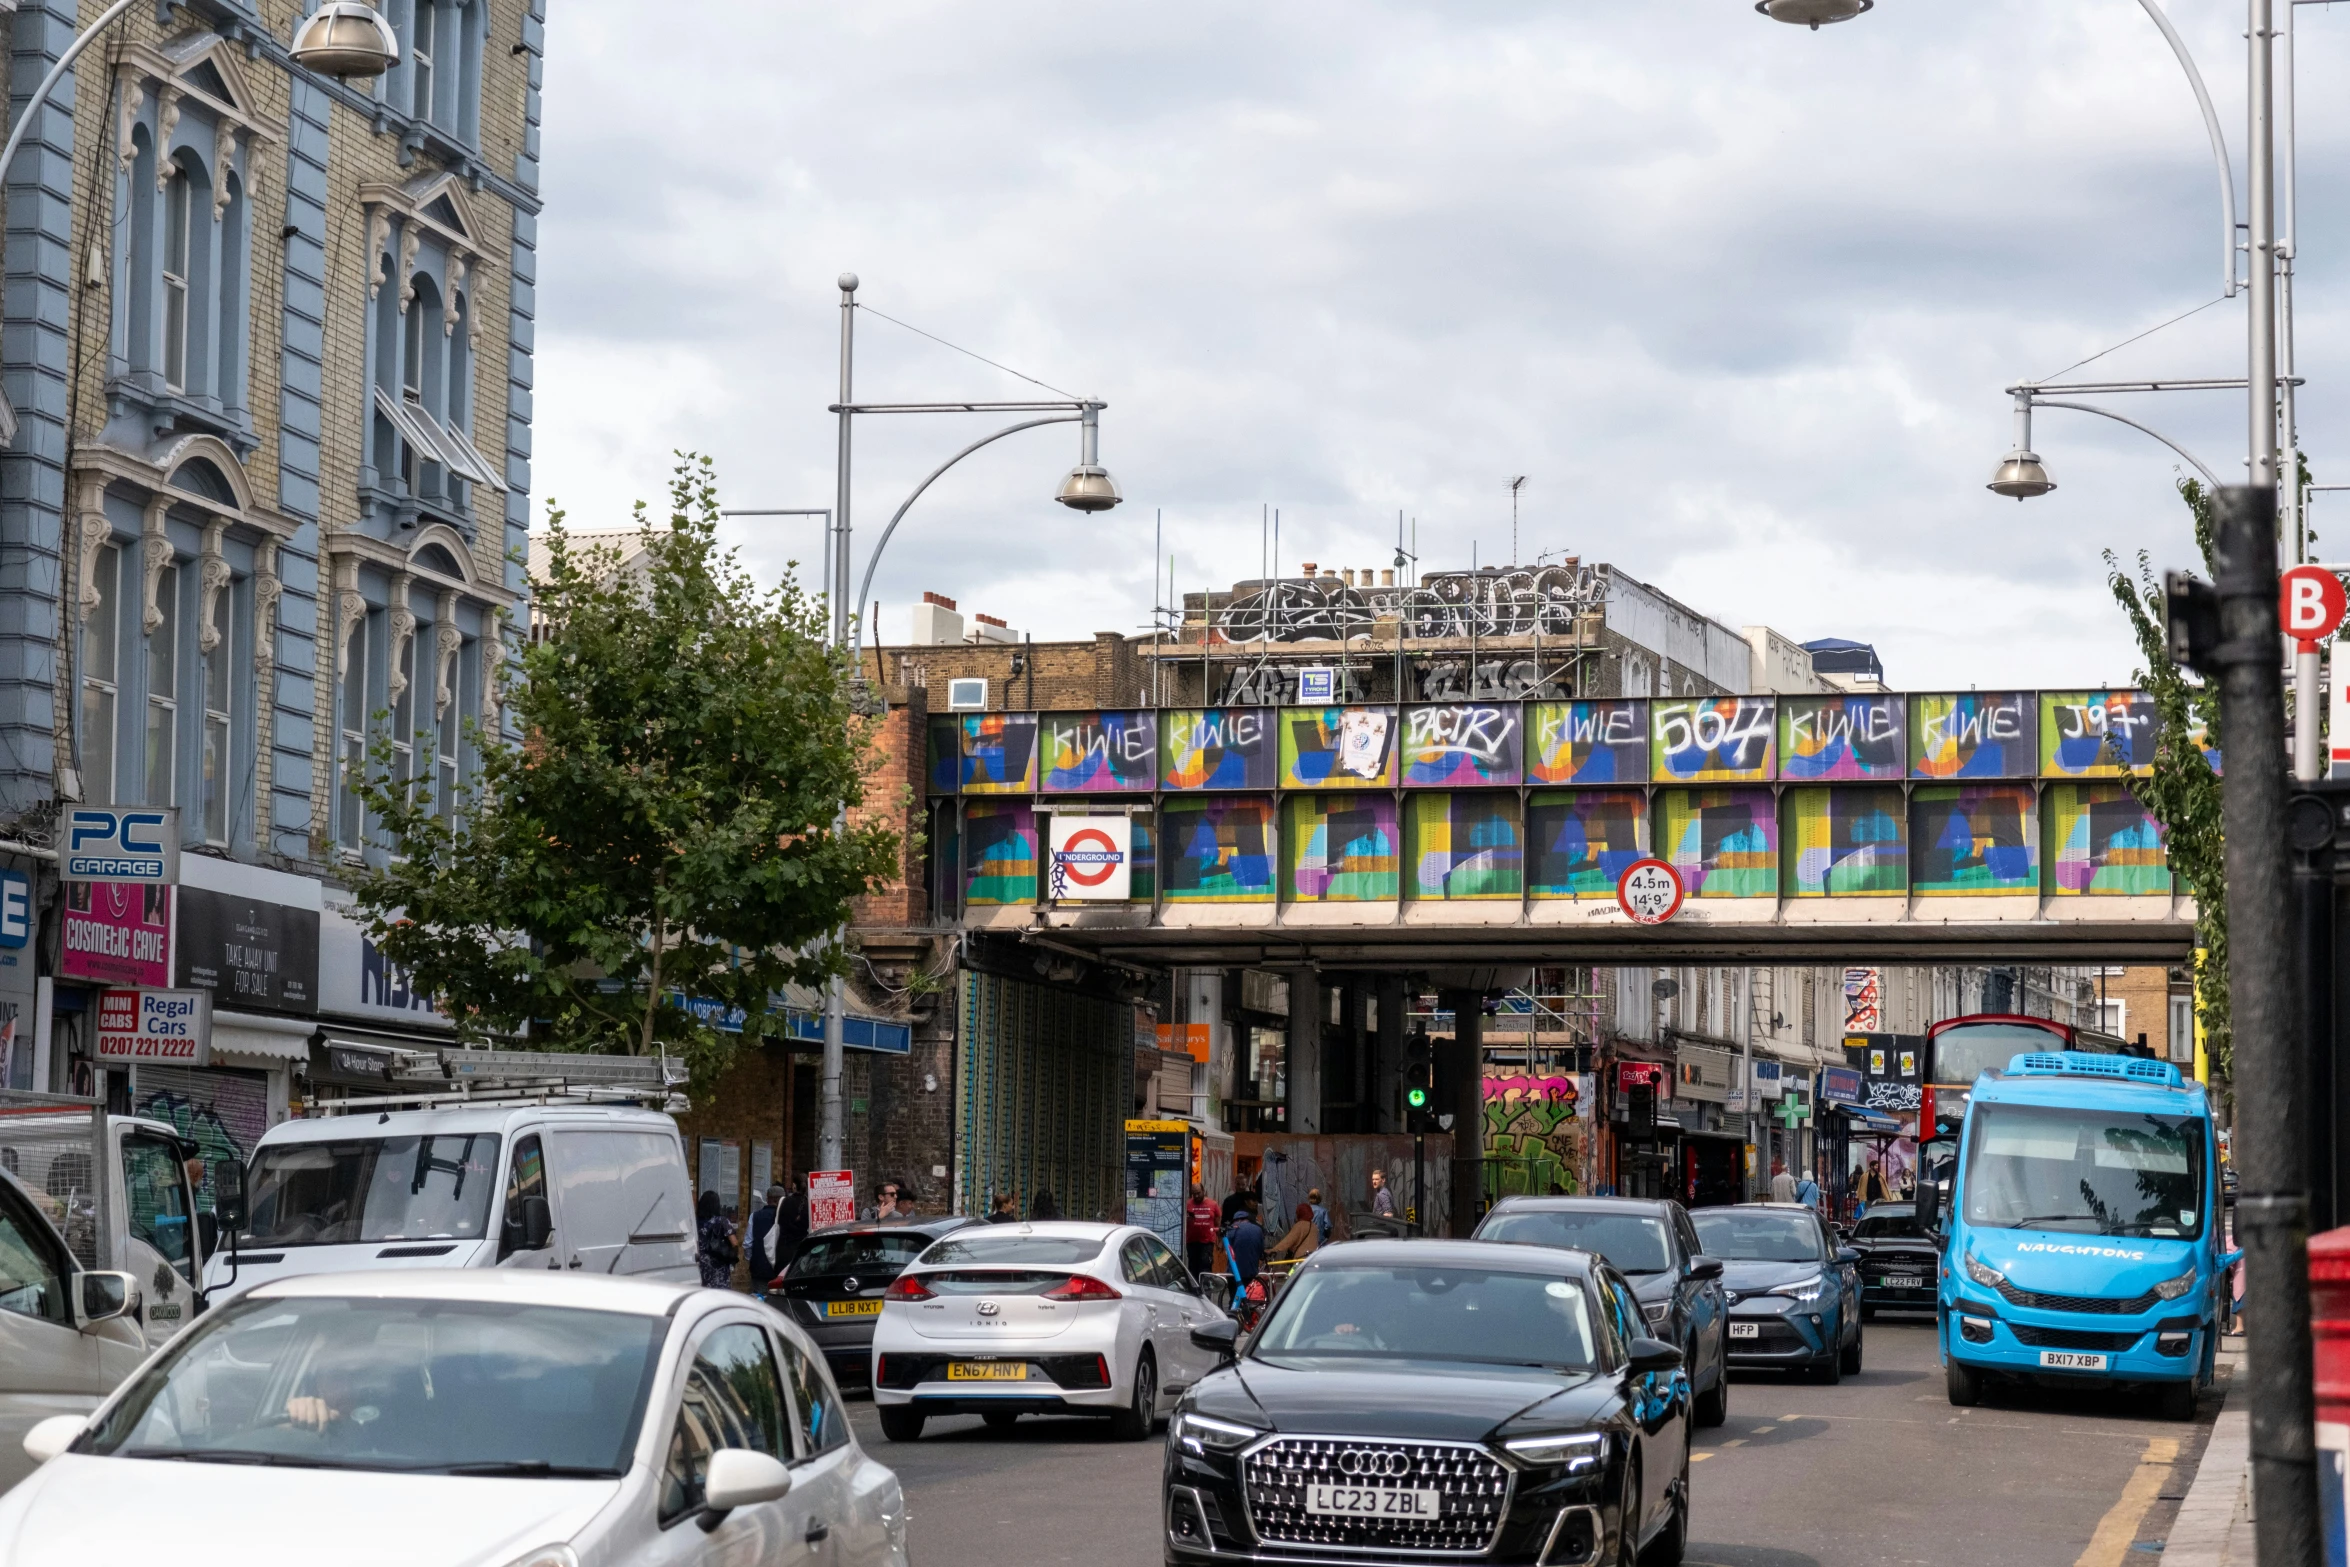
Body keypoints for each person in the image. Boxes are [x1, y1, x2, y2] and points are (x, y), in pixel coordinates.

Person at [696, 1190, 739, 1290]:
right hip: (718, 1265)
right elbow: (734, 1242)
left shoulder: (694, 1221)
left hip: (700, 1264)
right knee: (719, 1295)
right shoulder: (722, 1221)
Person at [746, 1184, 785, 1291]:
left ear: (768, 1199)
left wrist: (752, 1259)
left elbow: (748, 1243)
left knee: (759, 1300)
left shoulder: (754, 1216)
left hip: (759, 1269)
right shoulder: (785, 1217)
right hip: (780, 1270)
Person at [1224, 1201, 1265, 1286]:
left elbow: (1227, 1250)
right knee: (1248, 1294)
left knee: (1234, 1296)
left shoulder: (1232, 1229)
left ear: (1236, 1220)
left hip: (1234, 1272)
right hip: (1252, 1272)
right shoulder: (1258, 1229)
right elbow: (1261, 1251)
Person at [774, 1175, 810, 1265]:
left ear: (794, 1186)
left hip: (784, 1251)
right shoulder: (809, 1205)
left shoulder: (785, 1202)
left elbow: (779, 1223)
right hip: (803, 1251)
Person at [1185, 1184, 1220, 1275]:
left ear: (1203, 1191)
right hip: (1192, 1241)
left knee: (1206, 1266)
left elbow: (1217, 1223)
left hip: (1207, 1241)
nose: (1196, 1196)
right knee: (1193, 1267)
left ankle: (1206, 1286)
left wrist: (1219, 1241)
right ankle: (1195, 1288)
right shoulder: (1187, 1204)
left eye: (1198, 1193)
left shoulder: (1213, 1204)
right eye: (1194, 1194)